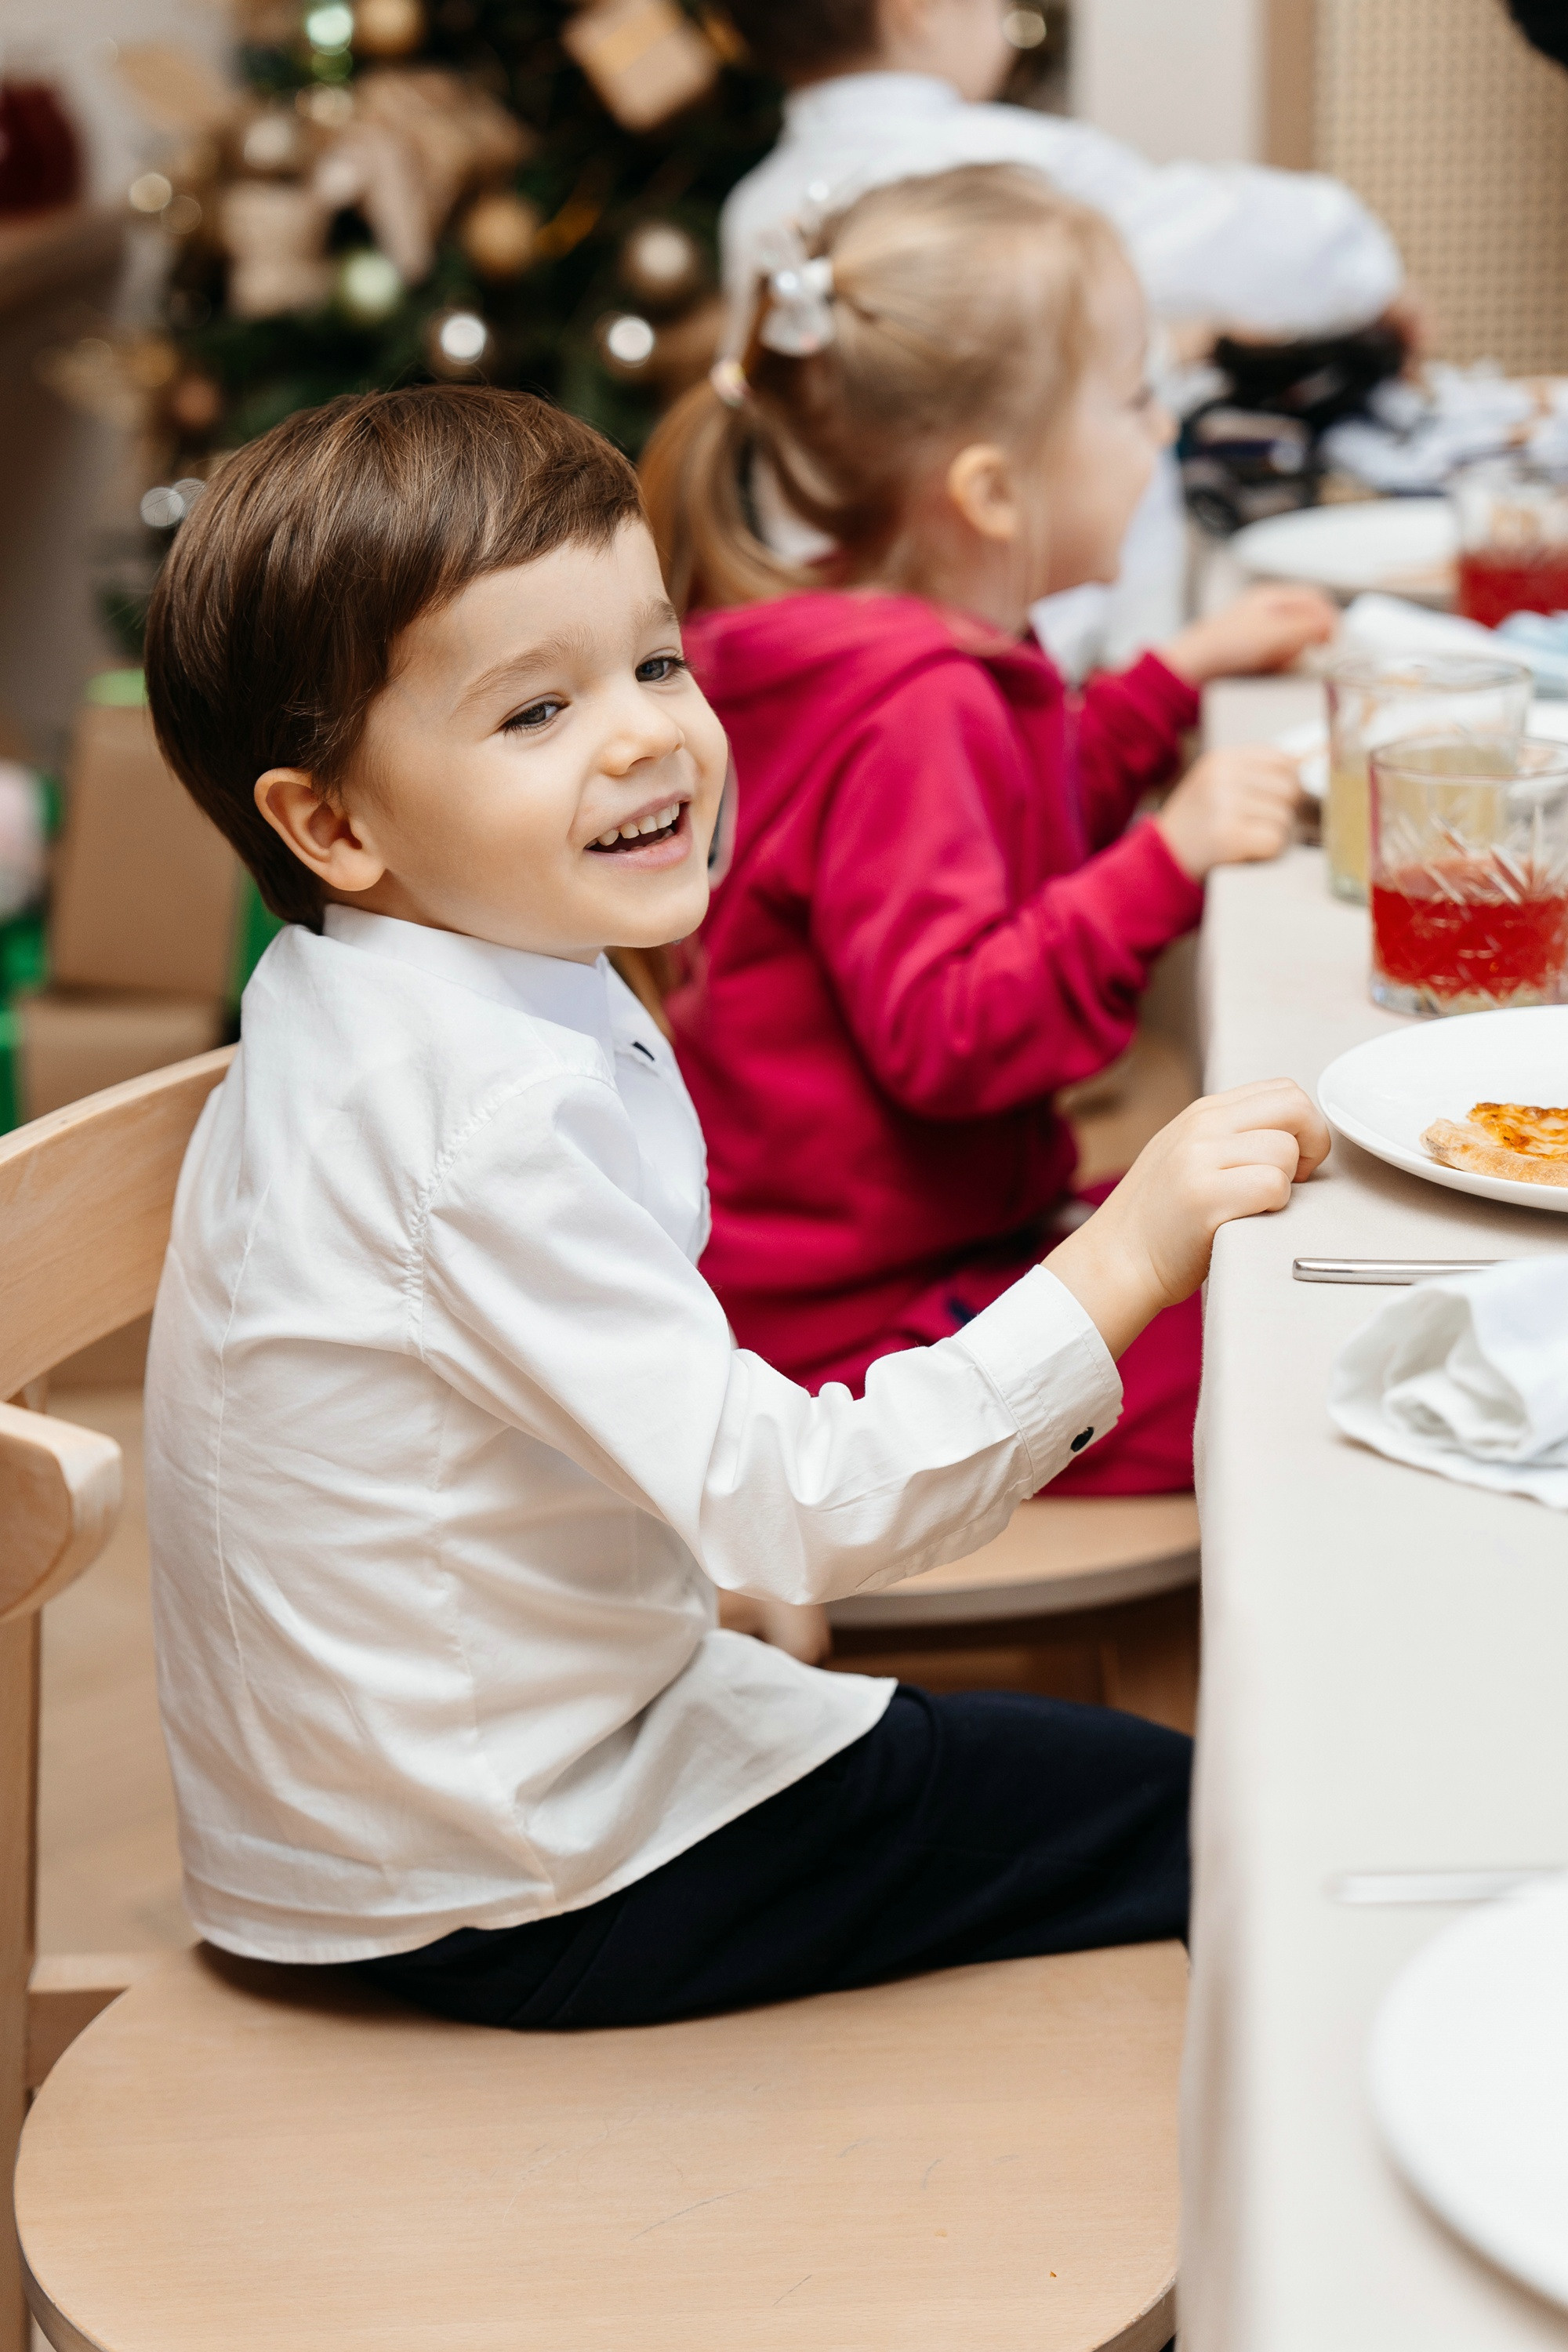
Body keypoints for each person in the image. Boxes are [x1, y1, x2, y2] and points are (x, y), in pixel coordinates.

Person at [140, 383, 1328, 2029]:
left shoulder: (376, 995)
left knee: (1095, 1785)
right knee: (1200, 1812)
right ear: (330, 822)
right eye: (534, 710)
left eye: (653, 661)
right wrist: (1128, 1248)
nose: (646, 734)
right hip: (515, 1874)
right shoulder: (477, 1118)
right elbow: (803, 1507)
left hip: (398, 1819)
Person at [642, 165, 1334, 1503]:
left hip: (861, 1273)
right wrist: (1166, 861)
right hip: (861, 1348)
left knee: (1276, 1237)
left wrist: (1168, 684)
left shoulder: (885, 647)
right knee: (1285, 1349)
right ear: (993, 492)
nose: (1161, 427)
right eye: (1132, 398)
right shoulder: (915, 706)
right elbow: (951, 1029)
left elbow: (1011, 817)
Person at [717, 0, 1407, 669]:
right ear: (916, 10)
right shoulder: (1025, 167)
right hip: (1069, 641)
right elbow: (1296, 246)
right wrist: (1375, 278)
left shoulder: (755, 209)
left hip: (851, 630)